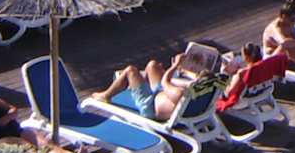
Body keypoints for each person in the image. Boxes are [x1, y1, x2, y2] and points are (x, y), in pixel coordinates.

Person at [97, 48, 226, 123]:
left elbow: (166, 82)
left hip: (149, 105)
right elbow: (182, 82)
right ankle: (138, 83)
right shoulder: (202, 89)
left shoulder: (180, 93)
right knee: (152, 65)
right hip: (160, 94)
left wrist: (175, 65)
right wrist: (182, 70)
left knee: (130, 70)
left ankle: (106, 96)